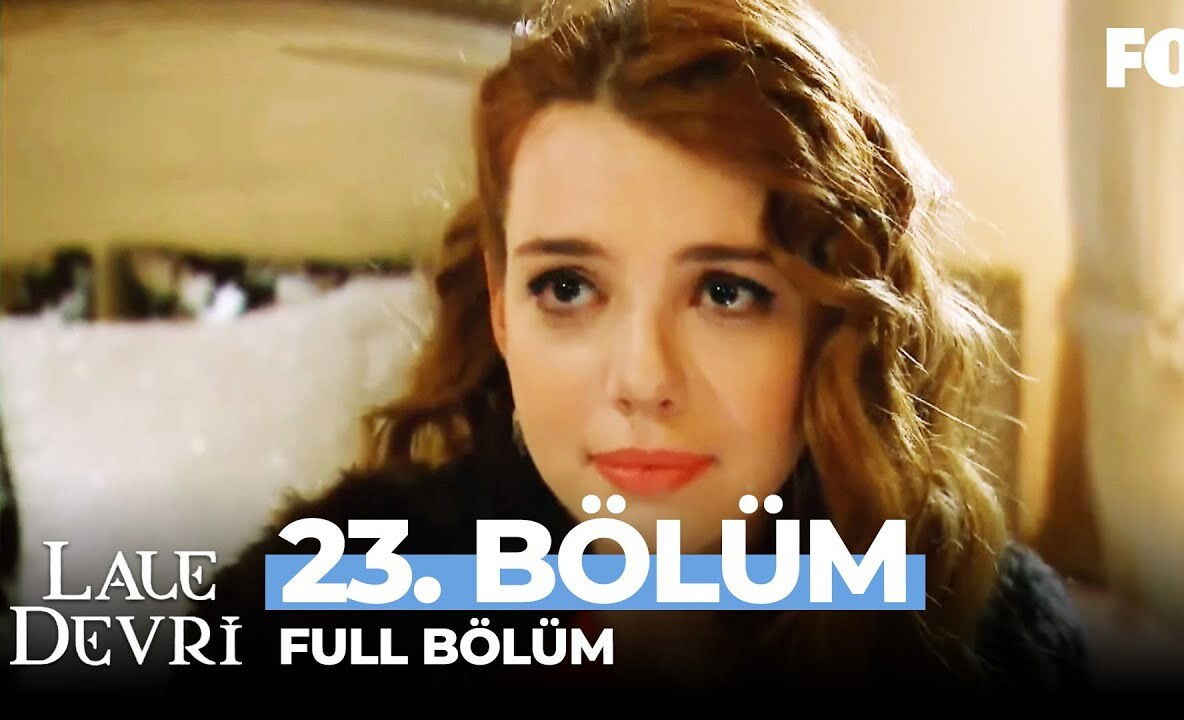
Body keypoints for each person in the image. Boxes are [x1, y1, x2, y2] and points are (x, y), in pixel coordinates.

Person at [176, 0, 1091, 694]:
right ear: (501, 308)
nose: (643, 380)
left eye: (726, 292)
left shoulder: (984, 634)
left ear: (830, 321)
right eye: (568, 288)